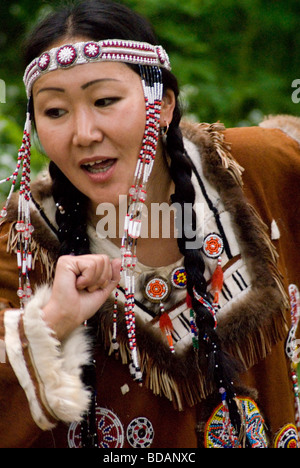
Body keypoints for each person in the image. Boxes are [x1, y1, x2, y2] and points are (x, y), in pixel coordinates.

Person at [0, 0, 299, 449]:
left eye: (105, 101)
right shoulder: (24, 244)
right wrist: (53, 319)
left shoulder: (256, 170)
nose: (83, 133)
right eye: (55, 111)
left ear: (163, 105)